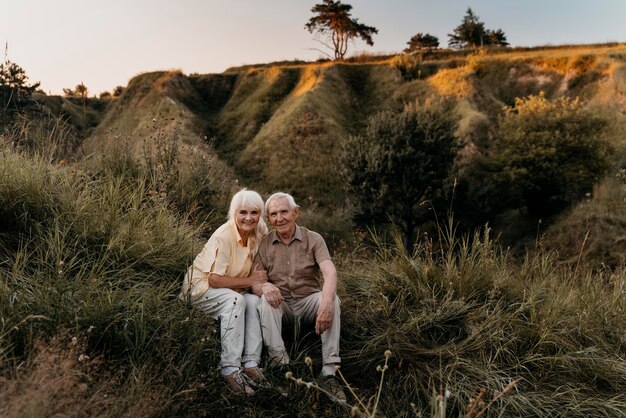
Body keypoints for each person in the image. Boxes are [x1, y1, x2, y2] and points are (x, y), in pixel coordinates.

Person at [251, 192, 346, 403]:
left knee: (333, 300)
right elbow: (256, 281)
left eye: (284, 212)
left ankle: (330, 371)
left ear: (296, 212)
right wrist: (265, 286)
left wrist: (327, 303)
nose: (279, 218)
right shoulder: (264, 244)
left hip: (308, 300)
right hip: (281, 304)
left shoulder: (314, 239)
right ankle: (281, 365)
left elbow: (329, 272)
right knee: (265, 301)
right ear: (269, 218)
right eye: (273, 214)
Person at [180, 189, 269, 395]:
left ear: (260, 214)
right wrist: (251, 280)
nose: (249, 218)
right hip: (201, 288)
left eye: (254, 212)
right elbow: (214, 279)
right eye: (242, 212)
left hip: (233, 288)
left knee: (254, 301)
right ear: (234, 213)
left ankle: (251, 364)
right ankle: (229, 369)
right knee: (237, 301)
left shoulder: (260, 230)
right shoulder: (223, 236)